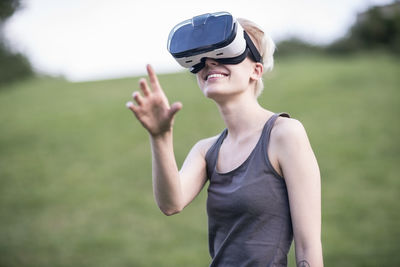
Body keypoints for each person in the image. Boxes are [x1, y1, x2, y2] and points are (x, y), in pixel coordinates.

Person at [126, 12, 323, 267]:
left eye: (224, 53)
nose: (209, 63)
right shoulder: (205, 150)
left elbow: (308, 246)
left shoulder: (284, 134)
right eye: (201, 59)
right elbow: (171, 204)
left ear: (256, 70)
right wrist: (160, 136)